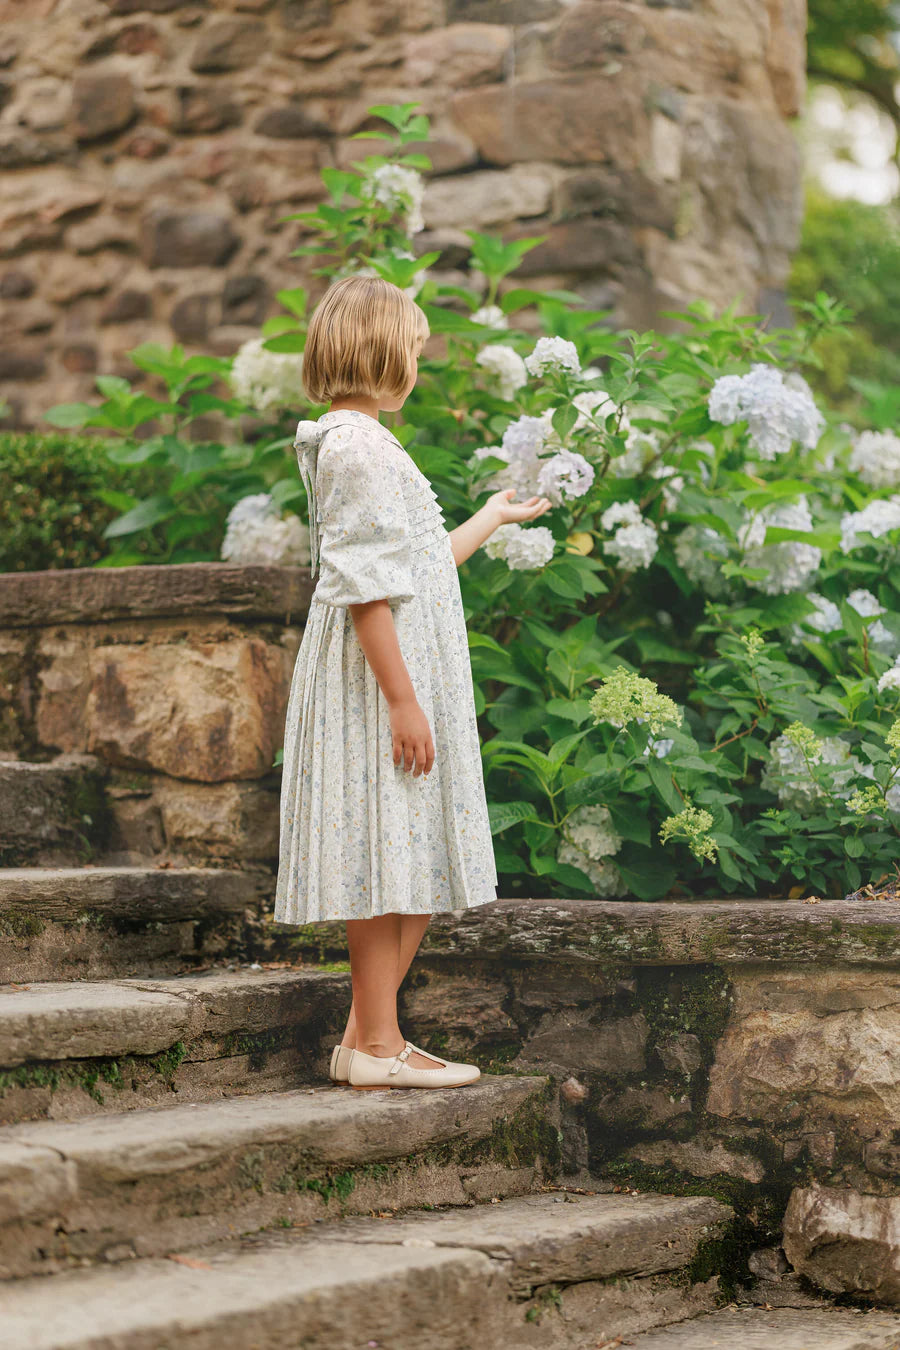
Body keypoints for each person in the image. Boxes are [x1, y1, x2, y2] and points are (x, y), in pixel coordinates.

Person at [274, 275, 551, 1091]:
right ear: (386, 350)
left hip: (404, 665)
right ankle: (381, 1046)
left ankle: (366, 1035)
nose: (420, 365)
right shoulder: (355, 446)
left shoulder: (369, 443)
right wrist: (401, 698)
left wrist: (491, 517)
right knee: (382, 849)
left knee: (418, 847)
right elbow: (363, 586)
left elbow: (416, 568)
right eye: (418, 350)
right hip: (379, 679)